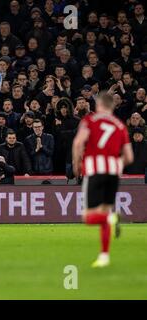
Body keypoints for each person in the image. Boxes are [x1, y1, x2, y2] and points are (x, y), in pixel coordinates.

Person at [72, 92, 134, 268]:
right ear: (112, 106)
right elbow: (129, 157)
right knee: (105, 210)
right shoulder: (120, 126)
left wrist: (77, 162)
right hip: (114, 172)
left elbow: (78, 143)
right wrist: (115, 163)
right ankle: (104, 256)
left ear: (99, 105)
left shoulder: (90, 121)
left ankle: (112, 218)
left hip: (94, 170)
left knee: (89, 217)